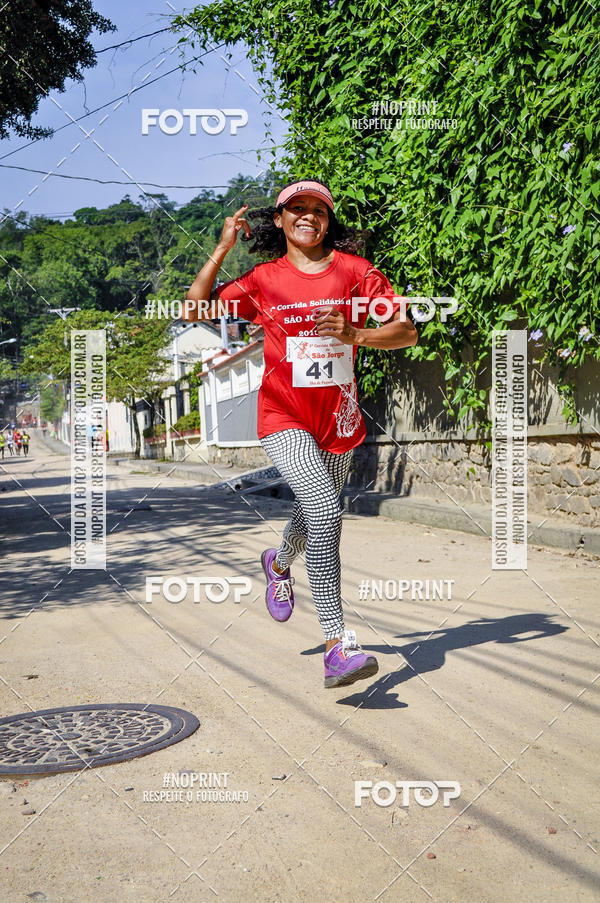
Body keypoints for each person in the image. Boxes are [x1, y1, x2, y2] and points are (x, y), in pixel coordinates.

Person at [183, 178, 417, 689]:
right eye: (297, 208)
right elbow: (194, 309)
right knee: (326, 509)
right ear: (281, 219)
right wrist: (223, 247)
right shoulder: (264, 278)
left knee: (314, 511)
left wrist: (358, 334)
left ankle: (278, 561)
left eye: (318, 209)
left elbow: (406, 330)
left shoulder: (355, 272)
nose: (308, 216)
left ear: (328, 220)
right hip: (282, 414)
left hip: (338, 417)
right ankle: (337, 645)